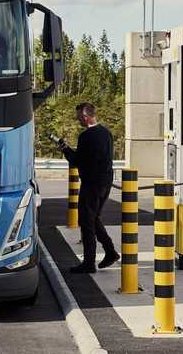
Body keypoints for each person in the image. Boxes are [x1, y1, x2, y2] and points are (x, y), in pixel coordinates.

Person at [57, 102, 119, 274]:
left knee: (86, 222)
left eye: (79, 118)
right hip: (105, 182)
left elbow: (77, 161)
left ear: (85, 116)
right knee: (94, 218)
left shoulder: (87, 136)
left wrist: (65, 149)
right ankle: (110, 251)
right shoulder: (107, 133)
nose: (78, 121)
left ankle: (89, 263)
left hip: (91, 184)